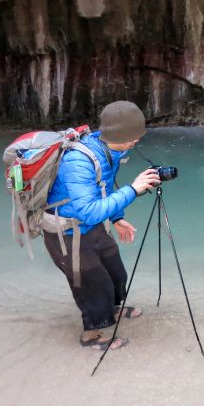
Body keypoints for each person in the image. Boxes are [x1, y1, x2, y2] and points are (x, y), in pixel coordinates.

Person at [43, 100, 162, 351]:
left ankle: (112, 309)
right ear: (119, 135)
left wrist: (117, 218)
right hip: (67, 232)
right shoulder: (78, 161)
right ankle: (92, 335)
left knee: (116, 272)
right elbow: (88, 211)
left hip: (91, 225)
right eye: (134, 136)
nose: (137, 140)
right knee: (93, 285)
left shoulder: (109, 150)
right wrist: (133, 189)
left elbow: (104, 186)